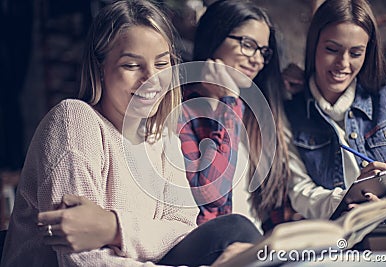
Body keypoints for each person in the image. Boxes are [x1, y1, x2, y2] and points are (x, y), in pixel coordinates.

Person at [0, 1, 262, 266]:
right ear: (99, 68)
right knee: (237, 235)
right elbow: (84, 259)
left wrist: (113, 228)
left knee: (235, 232)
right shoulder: (75, 121)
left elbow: (183, 228)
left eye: (162, 64)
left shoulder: (162, 136)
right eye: (131, 65)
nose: (151, 78)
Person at [178, 0, 294, 230]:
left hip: (261, 245)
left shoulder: (255, 113)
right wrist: (228, 102)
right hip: (219, 247)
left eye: (263, 51)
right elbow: (212, 196)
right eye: (248, 44)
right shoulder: (181, 110)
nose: (257, 59)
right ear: (215, 36)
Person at [285, 0, 386, 219]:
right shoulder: (291, 110)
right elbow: (300, 191)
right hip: (333, 236)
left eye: (356, 53)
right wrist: (349, 198)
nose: (343, 64)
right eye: (331, 49)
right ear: (313, 45)